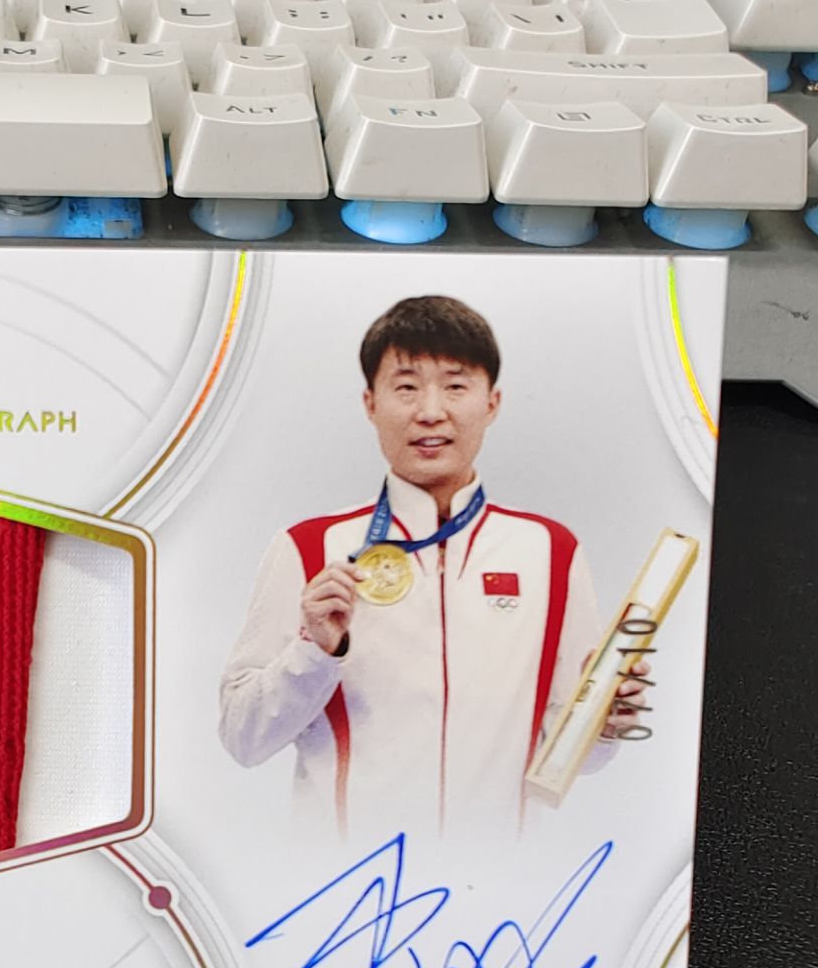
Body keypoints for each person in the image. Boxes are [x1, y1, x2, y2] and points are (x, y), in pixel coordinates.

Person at [218, 294, 645, 838]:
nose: (430, 411)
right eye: (406, 387)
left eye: (455, 386)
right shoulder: (309, 548)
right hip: (345, 875)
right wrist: (314, 652)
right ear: (370, 403)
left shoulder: (550, 552)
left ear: (492, 402)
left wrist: (603, 725)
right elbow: (243, 739)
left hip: (497, 876)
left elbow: (571, 759)